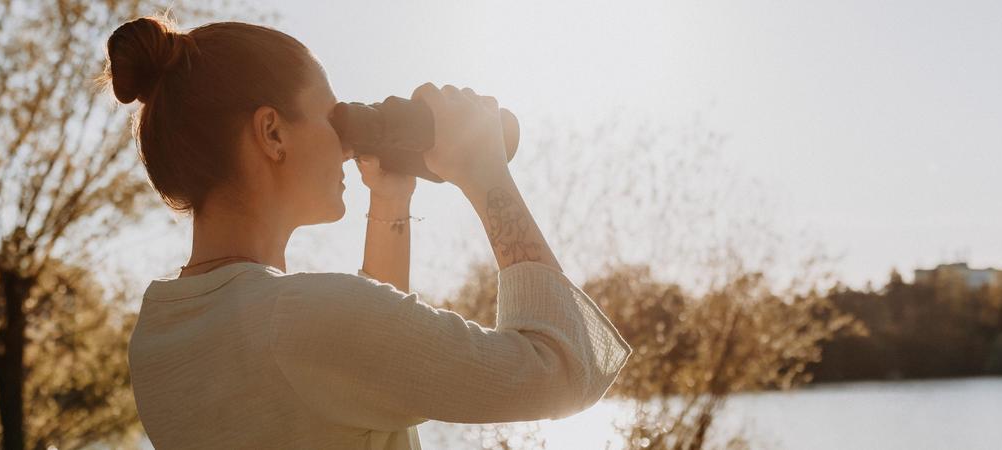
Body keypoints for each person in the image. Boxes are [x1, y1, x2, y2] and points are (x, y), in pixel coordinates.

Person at [105, 15, 632, 449]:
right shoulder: (299, 318)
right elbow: (563, 368)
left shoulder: (158, 336)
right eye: (333, 117)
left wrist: (390, 200)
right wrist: (485, 172)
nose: (345, 142)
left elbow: (360, 380)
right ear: (272, 132)